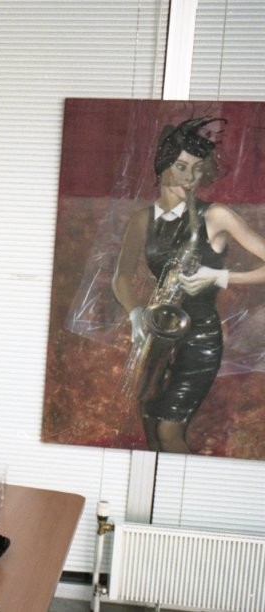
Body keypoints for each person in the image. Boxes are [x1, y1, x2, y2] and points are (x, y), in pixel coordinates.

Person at [113, 117, 265, 453]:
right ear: (162, 165)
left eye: (197, 169)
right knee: (150, 427)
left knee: (169, 431)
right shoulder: (141, 220)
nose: (190, 177)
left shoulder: (216, 215)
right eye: (181, 167)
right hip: (157, 334)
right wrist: (135, 313)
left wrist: (220, 277)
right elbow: (120, 277)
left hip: (199, 338)